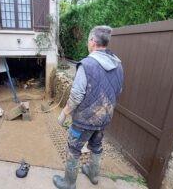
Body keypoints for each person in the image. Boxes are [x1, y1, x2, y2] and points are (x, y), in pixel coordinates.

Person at [53, 26, 124, 189]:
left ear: (92, 41)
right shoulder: (118, 64)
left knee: (73, 148)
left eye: (88, 40)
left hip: (83, 121)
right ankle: (93, 175)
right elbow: (118, 90)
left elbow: (76, 96)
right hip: (104, 118)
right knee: (97, 146)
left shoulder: (87, 64)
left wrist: (64, 113)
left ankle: (69, 183)